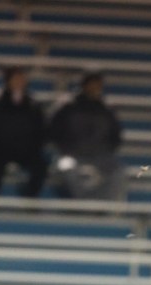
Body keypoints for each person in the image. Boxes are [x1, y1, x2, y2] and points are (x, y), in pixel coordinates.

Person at [0, 66, 48, 197]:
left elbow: (42, 129)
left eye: (22, 78)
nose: (19, 82)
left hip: (26, 150)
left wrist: (35, 145)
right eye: (15, 78)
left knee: (40, 166)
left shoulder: (33, 104)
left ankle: (30, 199)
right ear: (7, 80)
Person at [48, 71, 125, 200]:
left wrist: (104, 151)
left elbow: (115, 136)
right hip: (71, 155)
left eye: (98, 85)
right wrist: (66, 149)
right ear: (84, 86)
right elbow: (54, 131)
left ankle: (104, 208)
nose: (95, 89)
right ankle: (84, 205)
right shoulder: (67, 107)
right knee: (67, 168)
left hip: (100, 156)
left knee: (117, 172)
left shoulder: (106, 109)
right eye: (92, 85)